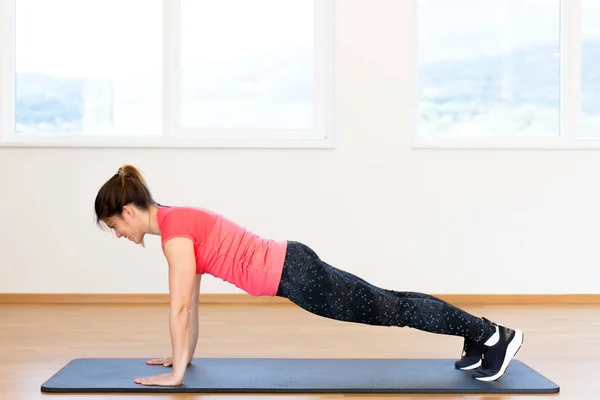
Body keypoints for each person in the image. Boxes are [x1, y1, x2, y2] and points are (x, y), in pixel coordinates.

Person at [94, 164, 524, 387]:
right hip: (294, 265)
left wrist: (176, 376)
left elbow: (182, 306)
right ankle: (479, 334)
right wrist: (181, 356)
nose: (118, 234)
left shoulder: (174, 236)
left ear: (128, 211)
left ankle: (493, 335)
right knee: (391, 299)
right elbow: (193, 301)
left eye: (115, 225)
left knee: (392, 308)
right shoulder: (176, 221)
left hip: (297, 277)